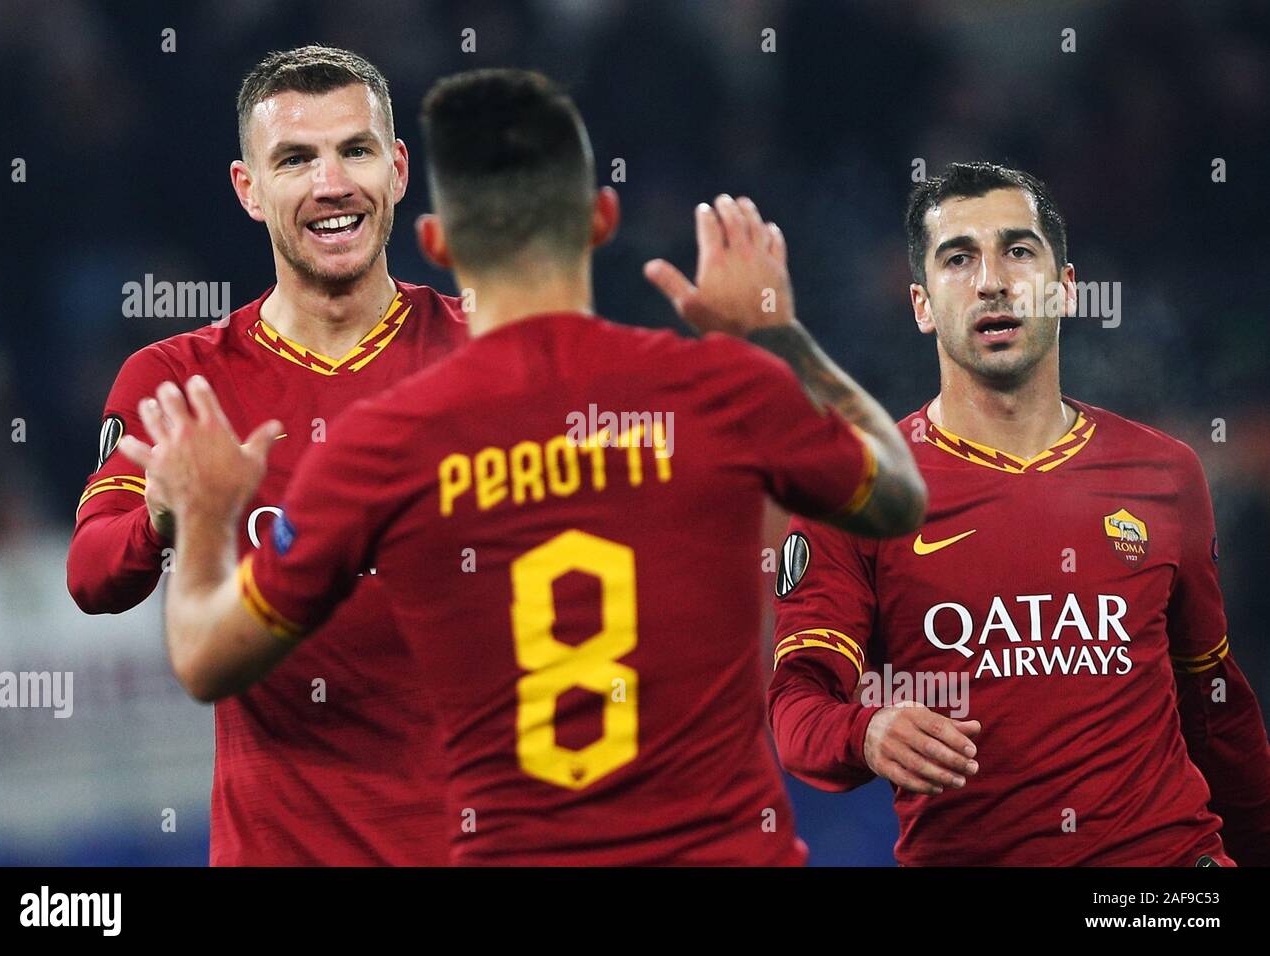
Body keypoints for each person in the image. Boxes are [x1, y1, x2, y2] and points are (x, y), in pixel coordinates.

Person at [119, 68, 926, 864]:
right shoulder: (721, 389)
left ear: (436, 240)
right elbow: (897, 495)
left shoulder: (383, 448)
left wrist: (206, 515)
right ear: (603, 217)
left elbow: (203, 657)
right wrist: (778, 336)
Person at [769, 161, 1270, 865]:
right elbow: (797, 705)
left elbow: (1215, 705)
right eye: (959, 258)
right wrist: (867, 732)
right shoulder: (857, 492)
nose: (992, 280)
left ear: (1065, 289)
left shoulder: (1166, 473)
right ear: (921, 303)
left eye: (1019, 250)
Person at [67, 46, 467, 865]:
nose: (331, 184)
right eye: (295, 159)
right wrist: (168, 511)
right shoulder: (179, 379)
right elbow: (91, 574)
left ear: (396, 170)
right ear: (249, 190)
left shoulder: (491, 354)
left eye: (354, 150)